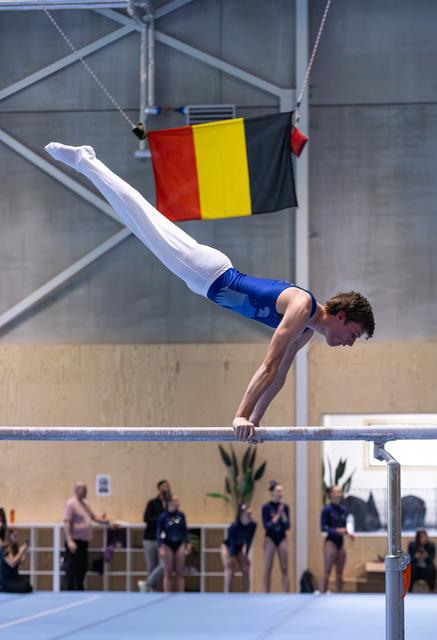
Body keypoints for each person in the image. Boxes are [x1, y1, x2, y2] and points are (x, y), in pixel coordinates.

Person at [44, 143, 375, 443]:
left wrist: (255, 422)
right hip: (208, 272)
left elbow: (279, 378)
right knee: (140, 218)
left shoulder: (306, 331)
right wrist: (241, 414)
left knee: (141, 221)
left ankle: (88, 161)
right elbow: (269, 364)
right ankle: (85, 160)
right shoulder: (302, 306)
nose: (350, 342)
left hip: (204, 280)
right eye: (354, 334)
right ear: (342, 317)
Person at [63, 482, 110, 590]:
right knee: (72, 568)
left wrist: (107, 522)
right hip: (75, 541)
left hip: (84, 542)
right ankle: (69, 590)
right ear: (76, 490)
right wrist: (69, 540)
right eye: (83, 490)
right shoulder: (71, 504)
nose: (85, 492)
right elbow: (66, 522)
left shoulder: (85, 504)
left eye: (86, 490)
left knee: (82, 567)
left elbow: (93, 518)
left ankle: (79, 588)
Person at [321, 485, 354, 592]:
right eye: (336, 492)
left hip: (340, 542)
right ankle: (322, 594)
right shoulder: (326, 509)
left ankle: (338, 595)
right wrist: (337, 531)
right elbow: (324, 527)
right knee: (327, 571)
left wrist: (348, 533)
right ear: (330, 494)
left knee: (339, 572)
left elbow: (345, 526)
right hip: (330, 542)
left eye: (340, 492)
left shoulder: (343, 510)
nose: (339, 494)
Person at [157, 495, 191, 592]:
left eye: (177, 500)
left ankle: (181, 594)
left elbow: (184, 530)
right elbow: (159, 532)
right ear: (169, 502)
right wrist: (160, 546)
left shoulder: (181, 516)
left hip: (179, 544)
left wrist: (188, 543)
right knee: (168, 572)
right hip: (167, 544)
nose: (177, 502)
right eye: (175, 500)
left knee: (180, 572)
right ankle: (166, 594)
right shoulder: (163, 517)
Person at [221, 503, 257, 593]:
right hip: (229, 546)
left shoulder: (252, 525)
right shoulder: (234, 526)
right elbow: (232, 545)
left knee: (246, 568)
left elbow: (249, 541)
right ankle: (227, 593)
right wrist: (233, 559)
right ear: (241, 515)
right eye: (248, 514)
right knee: (230, 567)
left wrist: (245, 556)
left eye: (251, 514)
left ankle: (246, 593)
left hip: (239, 547)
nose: (250, 516)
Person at [143, 479, 171, 591]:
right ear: (159, 489)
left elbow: (175, 520)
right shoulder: (152, 503)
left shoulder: (170, 504)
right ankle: (153, 592)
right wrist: (161, 520)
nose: (167, 488)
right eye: (165, 486)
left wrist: (168, 521)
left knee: (163, 566)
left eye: (168, 486)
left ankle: (146, 584)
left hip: (163, 540)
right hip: (149, 538)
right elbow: (146, 519)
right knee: (151, 567)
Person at [262, 481, 290, 592]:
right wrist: (278, 515)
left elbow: (287, 526)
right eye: (278, 491)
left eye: (281, 491)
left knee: (285, 568)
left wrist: (283, 514)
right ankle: (266, 593)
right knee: (267, 568)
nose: (280, 493)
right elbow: (267, 526)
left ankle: (286, 593)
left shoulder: (285, 507)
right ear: (272, 493)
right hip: (270, 538)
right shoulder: (266, 507)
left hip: (281, 537)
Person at [0, 529, 32, 593]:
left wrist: (25, 551)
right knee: (23, 588)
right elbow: (12, 563)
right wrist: (21, 551)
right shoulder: (4, 548)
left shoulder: (15, 547)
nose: (17, 538)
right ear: (9, 537)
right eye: (15, 536)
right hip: (6, 579)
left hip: (14, 576)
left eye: (17, 536)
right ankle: (2, 588)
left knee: (28, 586)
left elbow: (22, 562)